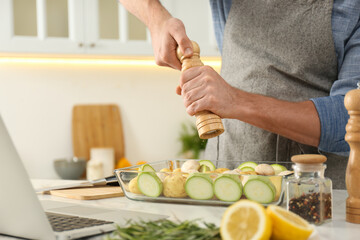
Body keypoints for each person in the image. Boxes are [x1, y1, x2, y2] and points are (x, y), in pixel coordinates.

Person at [119, 0, 360, 189]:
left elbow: (349, 120)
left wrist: (236, 101)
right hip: (222, 175)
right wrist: (156, 18)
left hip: (310, 192)